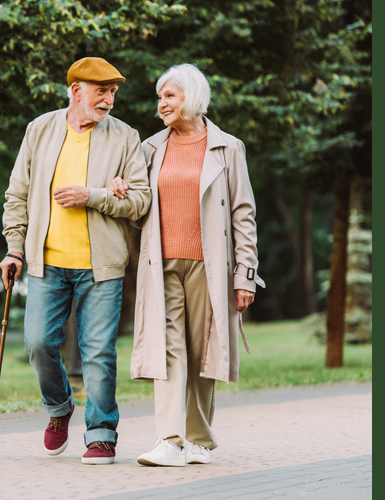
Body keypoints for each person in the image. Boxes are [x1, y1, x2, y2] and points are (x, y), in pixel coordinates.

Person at [107, 63, 265, 467]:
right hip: (161, 262)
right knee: (168, 348)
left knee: (203, 351)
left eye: (170, 96)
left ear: (191, 97)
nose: (161, 104)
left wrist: (244, 275)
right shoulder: (150, 149)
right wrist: (120, 189)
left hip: (210, 266)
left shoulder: (228, 148)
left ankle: (199, 441)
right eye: (160, 97)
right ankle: (169, 439)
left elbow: (243, 215)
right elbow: (138, 205)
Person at [0, 57, 151, 465]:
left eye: (113, 92)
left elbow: (141, 203)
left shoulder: (124, 137)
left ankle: (101, 433)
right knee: (37, 343)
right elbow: (17, 195)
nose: (109, 100)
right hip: (47, 265)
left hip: (101, 267)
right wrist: (15, 247)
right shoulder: (41, 129)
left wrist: (96, 196)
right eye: (101, 90)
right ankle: (59, 407)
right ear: (75, 90)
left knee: (99, 351)